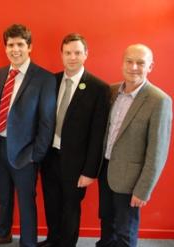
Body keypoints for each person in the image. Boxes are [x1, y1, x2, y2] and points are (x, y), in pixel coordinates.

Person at [0, 24, 56, 247]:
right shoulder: (2, 73)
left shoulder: (44, 78)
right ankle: (3, 233)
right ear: (5, 47)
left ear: (29, 47)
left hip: (25, 154)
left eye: (20, 44)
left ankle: (28, 243)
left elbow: (47, 122)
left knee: (26, 203)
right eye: (11, 45)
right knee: (4, 198)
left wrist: (36, 155)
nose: (15, 49)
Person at [96, 44, 172, 247]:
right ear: (122, 63)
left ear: (150, 67)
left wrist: (143, 189)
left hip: (131, 181)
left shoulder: (159, 101)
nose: (134, 67)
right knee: (106, 223)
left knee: (124, 232)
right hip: (105, 171)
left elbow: (158, 152)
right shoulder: (111, 91)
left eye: (140, 63)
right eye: (129, 61)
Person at [38, 33, 110, 247]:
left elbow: (98, 135)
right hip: (50, 155)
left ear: (86, 54)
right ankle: (53, 240)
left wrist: (90, 171)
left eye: (78, 52)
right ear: (61, 54)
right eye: (68, 52)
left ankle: (66, 244)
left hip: (77, 163)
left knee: (70, 207)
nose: (72, 57)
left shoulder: (98, 88)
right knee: (51, 203)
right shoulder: (52, 80)